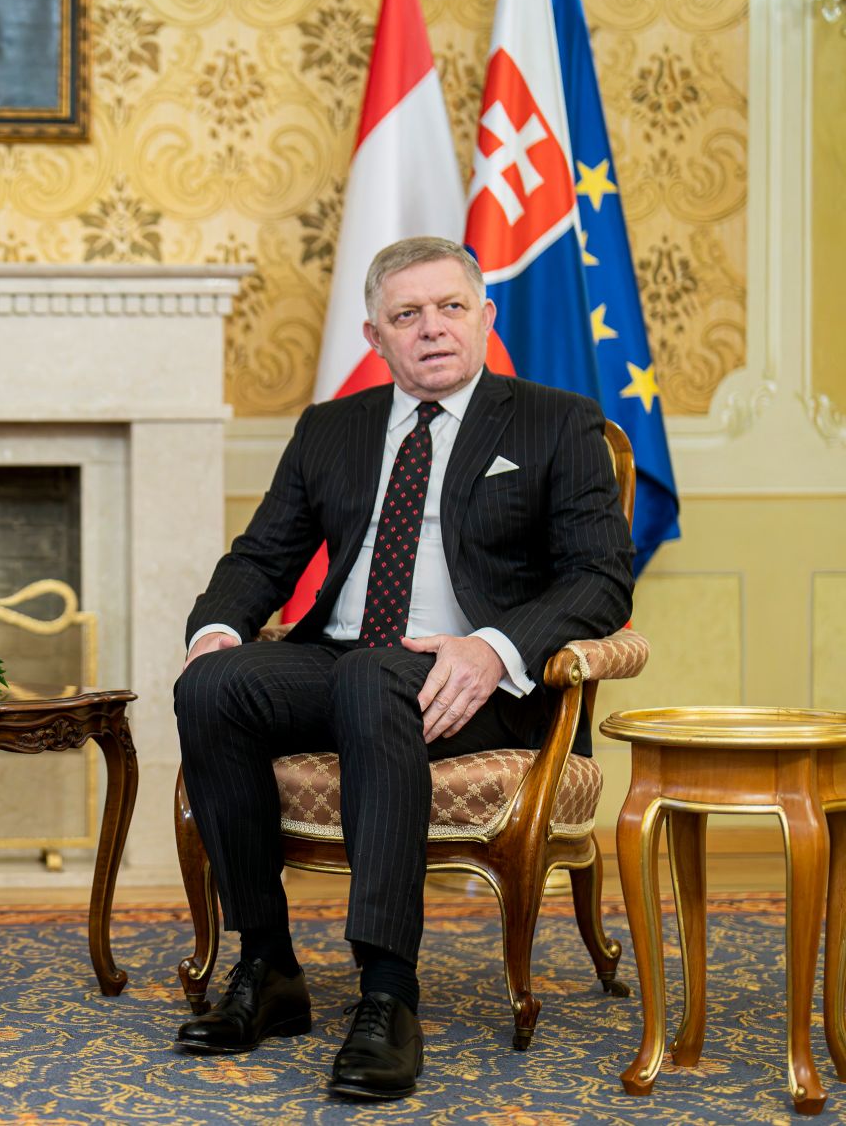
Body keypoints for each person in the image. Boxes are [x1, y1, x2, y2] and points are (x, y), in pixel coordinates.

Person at [173, 236, 633, 1100]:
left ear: (485, 317)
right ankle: (268, 967)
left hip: (476, 682)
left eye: (451, 307)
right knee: (213, 684)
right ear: (375, 336)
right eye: (406, 315)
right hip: (343, 659)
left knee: (373, 677)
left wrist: (491, 647)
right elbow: (262, 556)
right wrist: (218, 628)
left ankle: (388, 992)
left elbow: (601, 578)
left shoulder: (553, 421)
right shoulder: (332, 428)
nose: (432, 329)